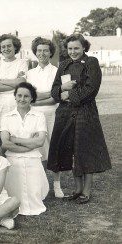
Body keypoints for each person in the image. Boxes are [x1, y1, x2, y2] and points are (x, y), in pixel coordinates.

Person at [47, 34, 111, 204]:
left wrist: (69, 95)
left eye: (76, 48)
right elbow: (54, 91)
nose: (73, 52)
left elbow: (91, 89)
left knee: (85, 149)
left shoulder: (91, 63)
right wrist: (62, 89)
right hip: (65, 113)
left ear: (84, 47)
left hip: (85, 112)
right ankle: (76, 189)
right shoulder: (63, 64)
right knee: (71, 150)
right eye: (70, 48)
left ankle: (86, 191)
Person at [0, 82, 49, 215]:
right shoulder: (6, 117)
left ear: (32, 98)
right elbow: (4, 143)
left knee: (34, 190)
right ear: (15, 97)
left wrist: (15, 139)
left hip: (33, 157)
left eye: (26, 96)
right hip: (12, 158)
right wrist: (29, 144)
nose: (22, 99)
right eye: (19, 95)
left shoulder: (39, 115)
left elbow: (40, 141)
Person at [26, 37, 64, 198]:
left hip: (52, 113)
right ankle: (42, 184)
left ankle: (57, 185)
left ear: (50, 53)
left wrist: (39, 97)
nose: (42, 53)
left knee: (54, 148)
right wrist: (49, 94)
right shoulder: (30, 73)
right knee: (38, 149)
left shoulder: (57, 71)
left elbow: (58, 96)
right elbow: (29, 97)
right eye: (39, 50)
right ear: (35, 52)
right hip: (34, 115)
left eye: (45, 50)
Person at [0, 34, 28, 123]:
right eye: (3, 47)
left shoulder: (21, 62)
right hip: (2, 102)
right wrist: (15, 81)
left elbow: (22, 82)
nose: (6, 49)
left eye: (9, 46)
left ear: (15, 47)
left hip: (18, 100)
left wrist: (3, 81)